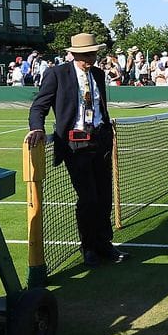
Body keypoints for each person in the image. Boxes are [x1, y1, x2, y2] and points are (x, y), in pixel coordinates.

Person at [25, 33, 128, 267]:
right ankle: (88, 247)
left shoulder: (99, 74)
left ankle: (104, 244)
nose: (89, 59)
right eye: (84, 55)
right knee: (88, 198)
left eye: (92, 54)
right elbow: (38, 106)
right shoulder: (57, 74)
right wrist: (36, 128)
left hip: (100, 140)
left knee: (104, 197)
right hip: (75, 145)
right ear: (73, 54)